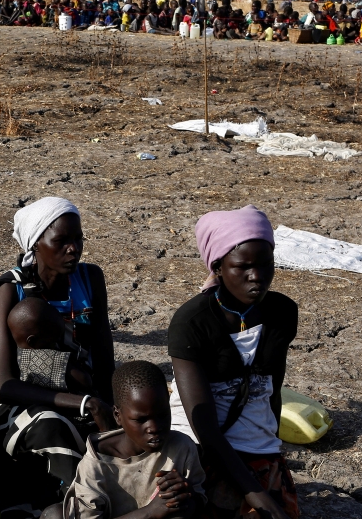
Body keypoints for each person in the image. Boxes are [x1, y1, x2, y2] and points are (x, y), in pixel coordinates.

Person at [0, 197, 114, 508]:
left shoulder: (90, 279)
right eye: (61, 241)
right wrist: (85, 404)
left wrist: (108, 404)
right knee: (53, 426)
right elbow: (4, 386)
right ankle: (79, 507)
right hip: (16, 402)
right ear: (36, 245)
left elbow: (105, 358)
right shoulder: (12, 290)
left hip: (82, 389)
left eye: (78, 239)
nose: (73, 249)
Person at [169, 205, 299, 519]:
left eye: (266, 264)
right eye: (243, 266)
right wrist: (258, 495)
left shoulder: (282, 313)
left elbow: (272, 394)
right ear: (217, 267)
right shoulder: (192, 322)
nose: (257, 277)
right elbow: (205, 427)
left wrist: (273, 457)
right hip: (198, 444)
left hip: (255, 443)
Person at [61, 361, 206, 519]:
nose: (154, 427)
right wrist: (150, 512)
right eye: (141, 420)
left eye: (162, 415)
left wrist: (187, 493)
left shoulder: (181, 447)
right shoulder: (96, 466)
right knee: (54, 514)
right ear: (118, 416)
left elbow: (200, 502)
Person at [7, 297, 92, 394]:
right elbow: (85, 381)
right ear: (32, 341)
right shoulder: (50, 358)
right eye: (53, 339)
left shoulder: (12, 356)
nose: (57, 343)